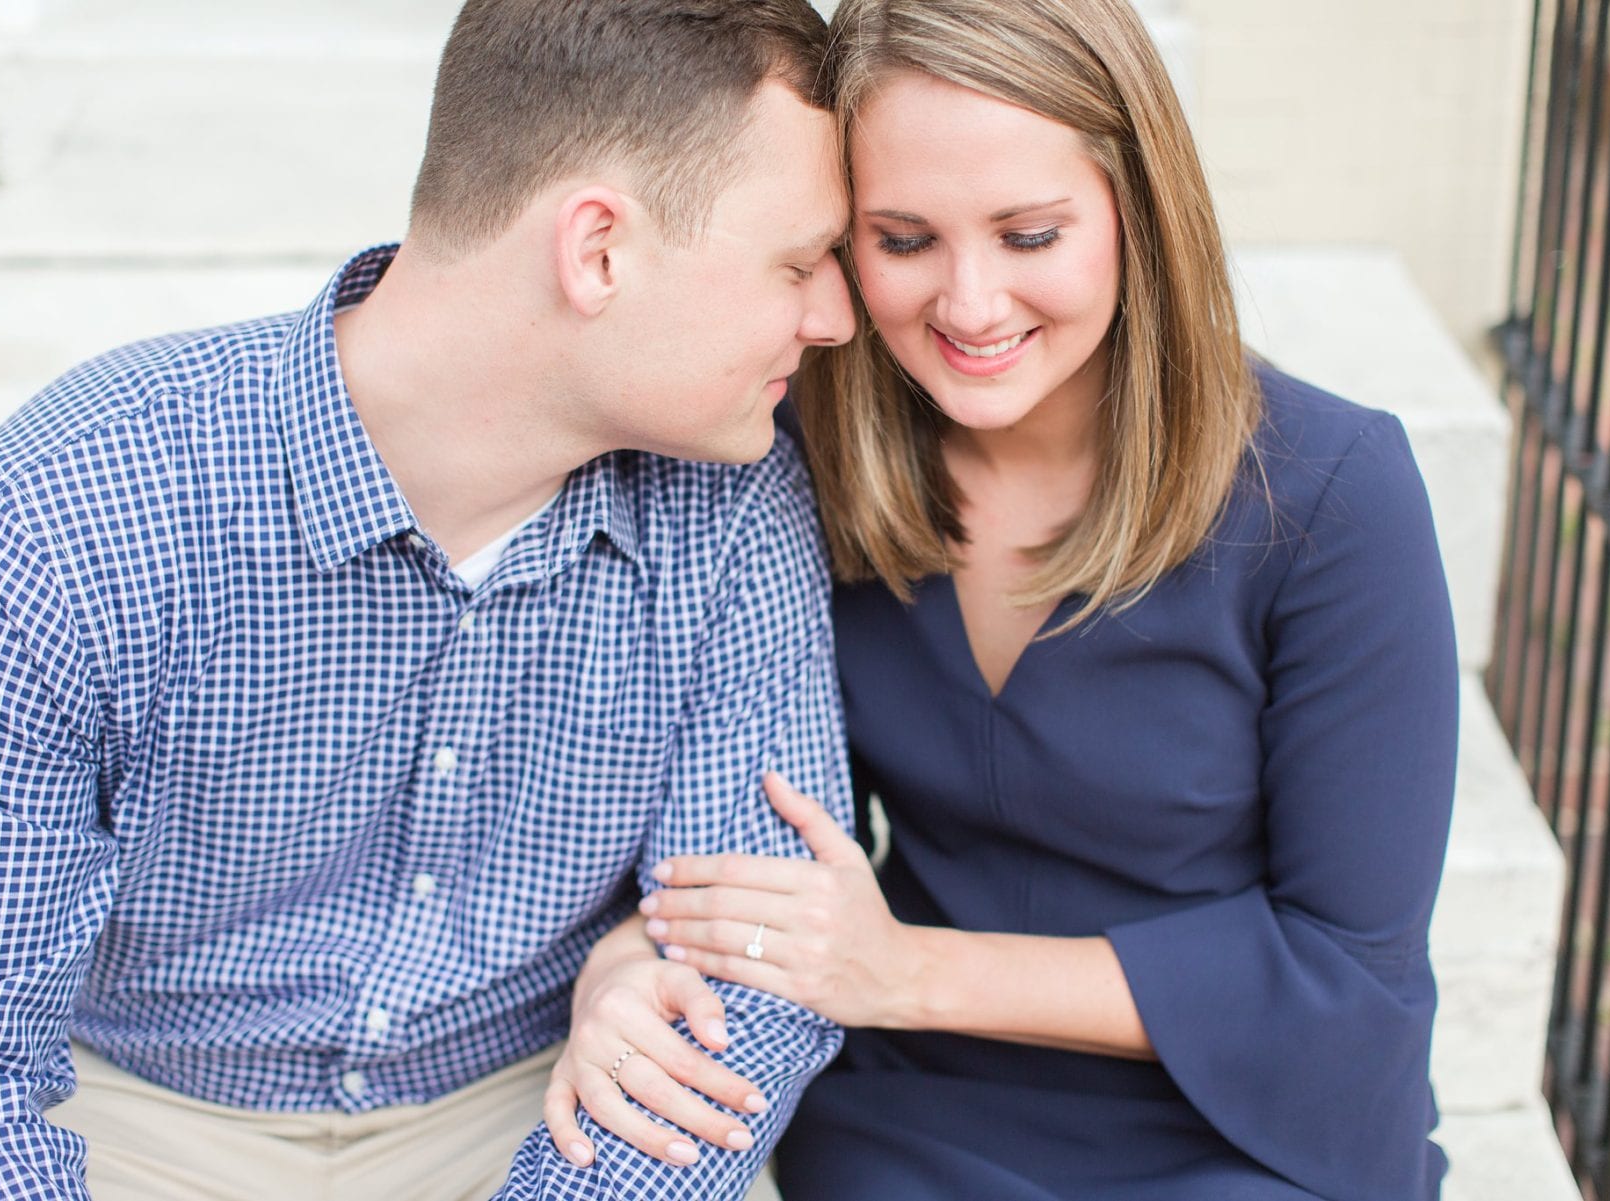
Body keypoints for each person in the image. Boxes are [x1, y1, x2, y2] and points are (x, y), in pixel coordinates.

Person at [0, 1, 860, 1198]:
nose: (835, 319)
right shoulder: (77, 503)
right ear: (597, 249)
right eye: (800, 263)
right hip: (131, 1114)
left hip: (537, 1106)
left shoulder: (733, 499)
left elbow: (753, 972)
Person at [549, 0, 1460, 1197]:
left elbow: (1351, 980)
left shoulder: (1334, 496)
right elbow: (713, 802)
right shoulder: (793, 457)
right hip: (913, 1121)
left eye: (1030, 234)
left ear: (1140, 211)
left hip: (1246, 1126)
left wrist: (903, 971)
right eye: (904, 239)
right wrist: (621, 961)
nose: (970, 306)